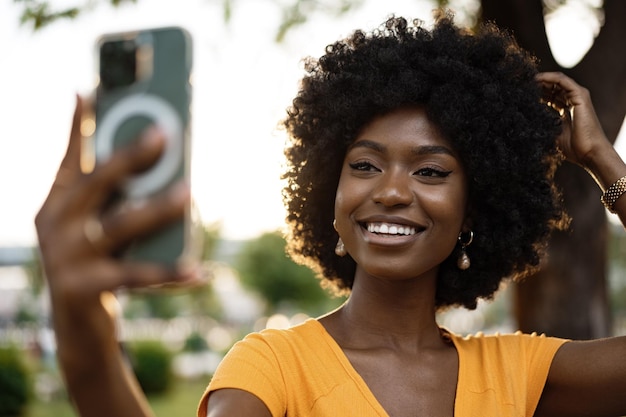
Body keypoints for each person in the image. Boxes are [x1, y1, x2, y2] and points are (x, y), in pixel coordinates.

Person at [35, 11, 626, 417]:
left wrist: (605, 163)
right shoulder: (271, 366)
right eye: (365, 165)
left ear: (478, 205)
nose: (391, 192)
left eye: (431, 171)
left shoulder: (519, 374)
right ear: (328, 195)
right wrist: (82, 324)